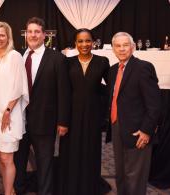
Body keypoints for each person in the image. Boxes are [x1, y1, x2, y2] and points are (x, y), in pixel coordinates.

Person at [13, 17, 71, 195]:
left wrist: (63, 121)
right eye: (30, 32)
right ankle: (19, 189)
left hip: (45, 120)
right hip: (19, 120)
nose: (33, 35)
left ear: (44, 35)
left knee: (44, 163)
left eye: (37, 32)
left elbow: (64, 92)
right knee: (18, 161)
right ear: (25, 34)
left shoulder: (57, 58)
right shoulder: (17, 56)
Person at [58, 28, 110, 195]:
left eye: (88, 41)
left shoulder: (103, 61)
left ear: (93, 42)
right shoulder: (67, 62)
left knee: (90, 153)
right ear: (75, 44)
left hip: (93, 116)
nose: (84, 44)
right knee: (71, 153)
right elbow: (64, 92)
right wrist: (62, 120)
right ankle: (71, 187)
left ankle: (88, 188)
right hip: (71, 116)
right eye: (80, 41)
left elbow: (110, 88)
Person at [108, 32, 160, 195]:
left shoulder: (143, 67)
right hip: (117, 126)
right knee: (121, 173)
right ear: (113, 49)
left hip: (138, 130)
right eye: (118, 46)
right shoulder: (112, 70)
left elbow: (155, 104)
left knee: (135, 177)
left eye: (125, 45)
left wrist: (146, 130)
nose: (122, 49)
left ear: (133, 47)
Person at [0, 22, 29, 195]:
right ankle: (8, 191)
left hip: (9, 114)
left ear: (8, 37)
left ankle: (9, 193)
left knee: (6, 157)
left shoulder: (14, 56)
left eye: (2, 35)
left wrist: (8, 112)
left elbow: (19, 87)